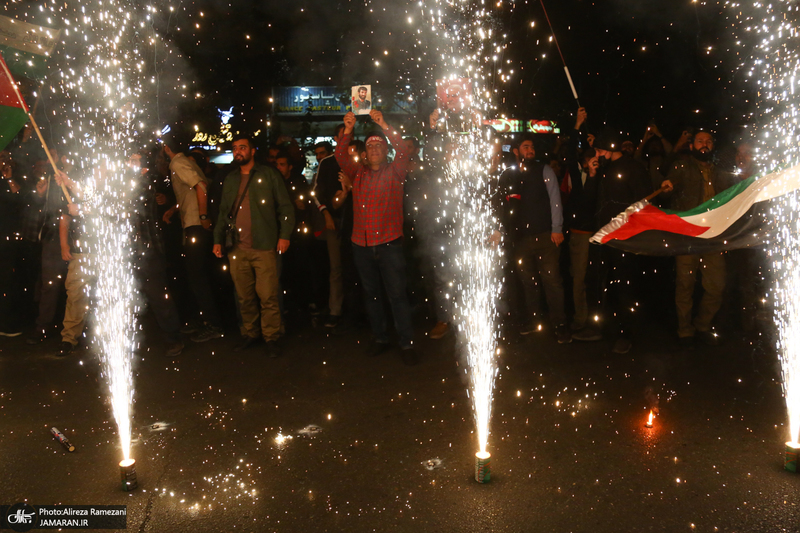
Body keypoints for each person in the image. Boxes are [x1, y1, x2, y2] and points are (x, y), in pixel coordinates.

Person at [335, 109, 418, 365]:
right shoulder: (357, 173)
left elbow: (404, 150)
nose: (374, 149)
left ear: (385, 151)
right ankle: (380, 338)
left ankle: (406, 343)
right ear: (364, 153)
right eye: (370, 146)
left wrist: (382, 124)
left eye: (378, 145)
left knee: (396, 295)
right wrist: (348, 130)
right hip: (361, 244)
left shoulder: (395, 172)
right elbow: (339, 154)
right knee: (371, 295)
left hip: (390, 244)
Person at [213, 135, 295, 358]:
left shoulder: (268, 175)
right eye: (234, 148)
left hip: (264, 244)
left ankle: (271, 336)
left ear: (252, 151)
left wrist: (284, 235)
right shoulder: (230, 179)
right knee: (244, 295)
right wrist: (217, 239)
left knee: (268, 295)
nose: (238, 151)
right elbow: (223, 212)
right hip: (237, 248)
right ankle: (250, 333)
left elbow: (285, 207)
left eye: (242, 147)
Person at [492, 133, 571, 344]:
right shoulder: (510, 174)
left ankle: (559, 323)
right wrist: (501, 231)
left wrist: (557, 227)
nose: (531, 150)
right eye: (526, 146)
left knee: (552, 280)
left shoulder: (543, 170)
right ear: (516, 151)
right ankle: (534, 321)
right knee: (528, 282)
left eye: (532, 146)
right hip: (521, 239)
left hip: (546, 236)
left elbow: (555, 200)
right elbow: (504, 207)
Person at [661, 131, 735, 346]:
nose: (705, 145)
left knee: (716, 286)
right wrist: (667, 186)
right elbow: (668, 187)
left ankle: (702, 324)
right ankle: (685, 329)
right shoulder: (682, 166)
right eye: (701, 141)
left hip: (713, 237)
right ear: (692, 145)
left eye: (709, 141)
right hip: (687, 237)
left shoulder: (720, 171)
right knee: (685, 285)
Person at [594, 131, 653, 354]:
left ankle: (628, 333)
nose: (598, 155)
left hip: (626, 237)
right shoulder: (604, 170)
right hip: (605, 236)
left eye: (600, 151)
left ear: (610, 149)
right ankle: (609, 329)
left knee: (625, 286)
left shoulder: (634, 168)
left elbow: (644, 203)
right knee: (607, 284)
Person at [161, 135, 224, 342]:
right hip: (194, 224)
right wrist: (173, 209)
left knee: (196, 275)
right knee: (197, 274)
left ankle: (212, 323)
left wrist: (203, 217)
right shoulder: (186, 162)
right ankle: (206, 318)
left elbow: (201, 187)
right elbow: (191, 193)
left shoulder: (178, 162)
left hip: (196, 226)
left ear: (166, 147)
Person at [311, 126, 347, 328]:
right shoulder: (327, 163)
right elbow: (316, 192)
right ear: (336, 138)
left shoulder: (356, 159)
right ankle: (335, 309)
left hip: (358, 220)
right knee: (336, 268)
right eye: (343, 134)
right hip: (335, 220)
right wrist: (326, 213)